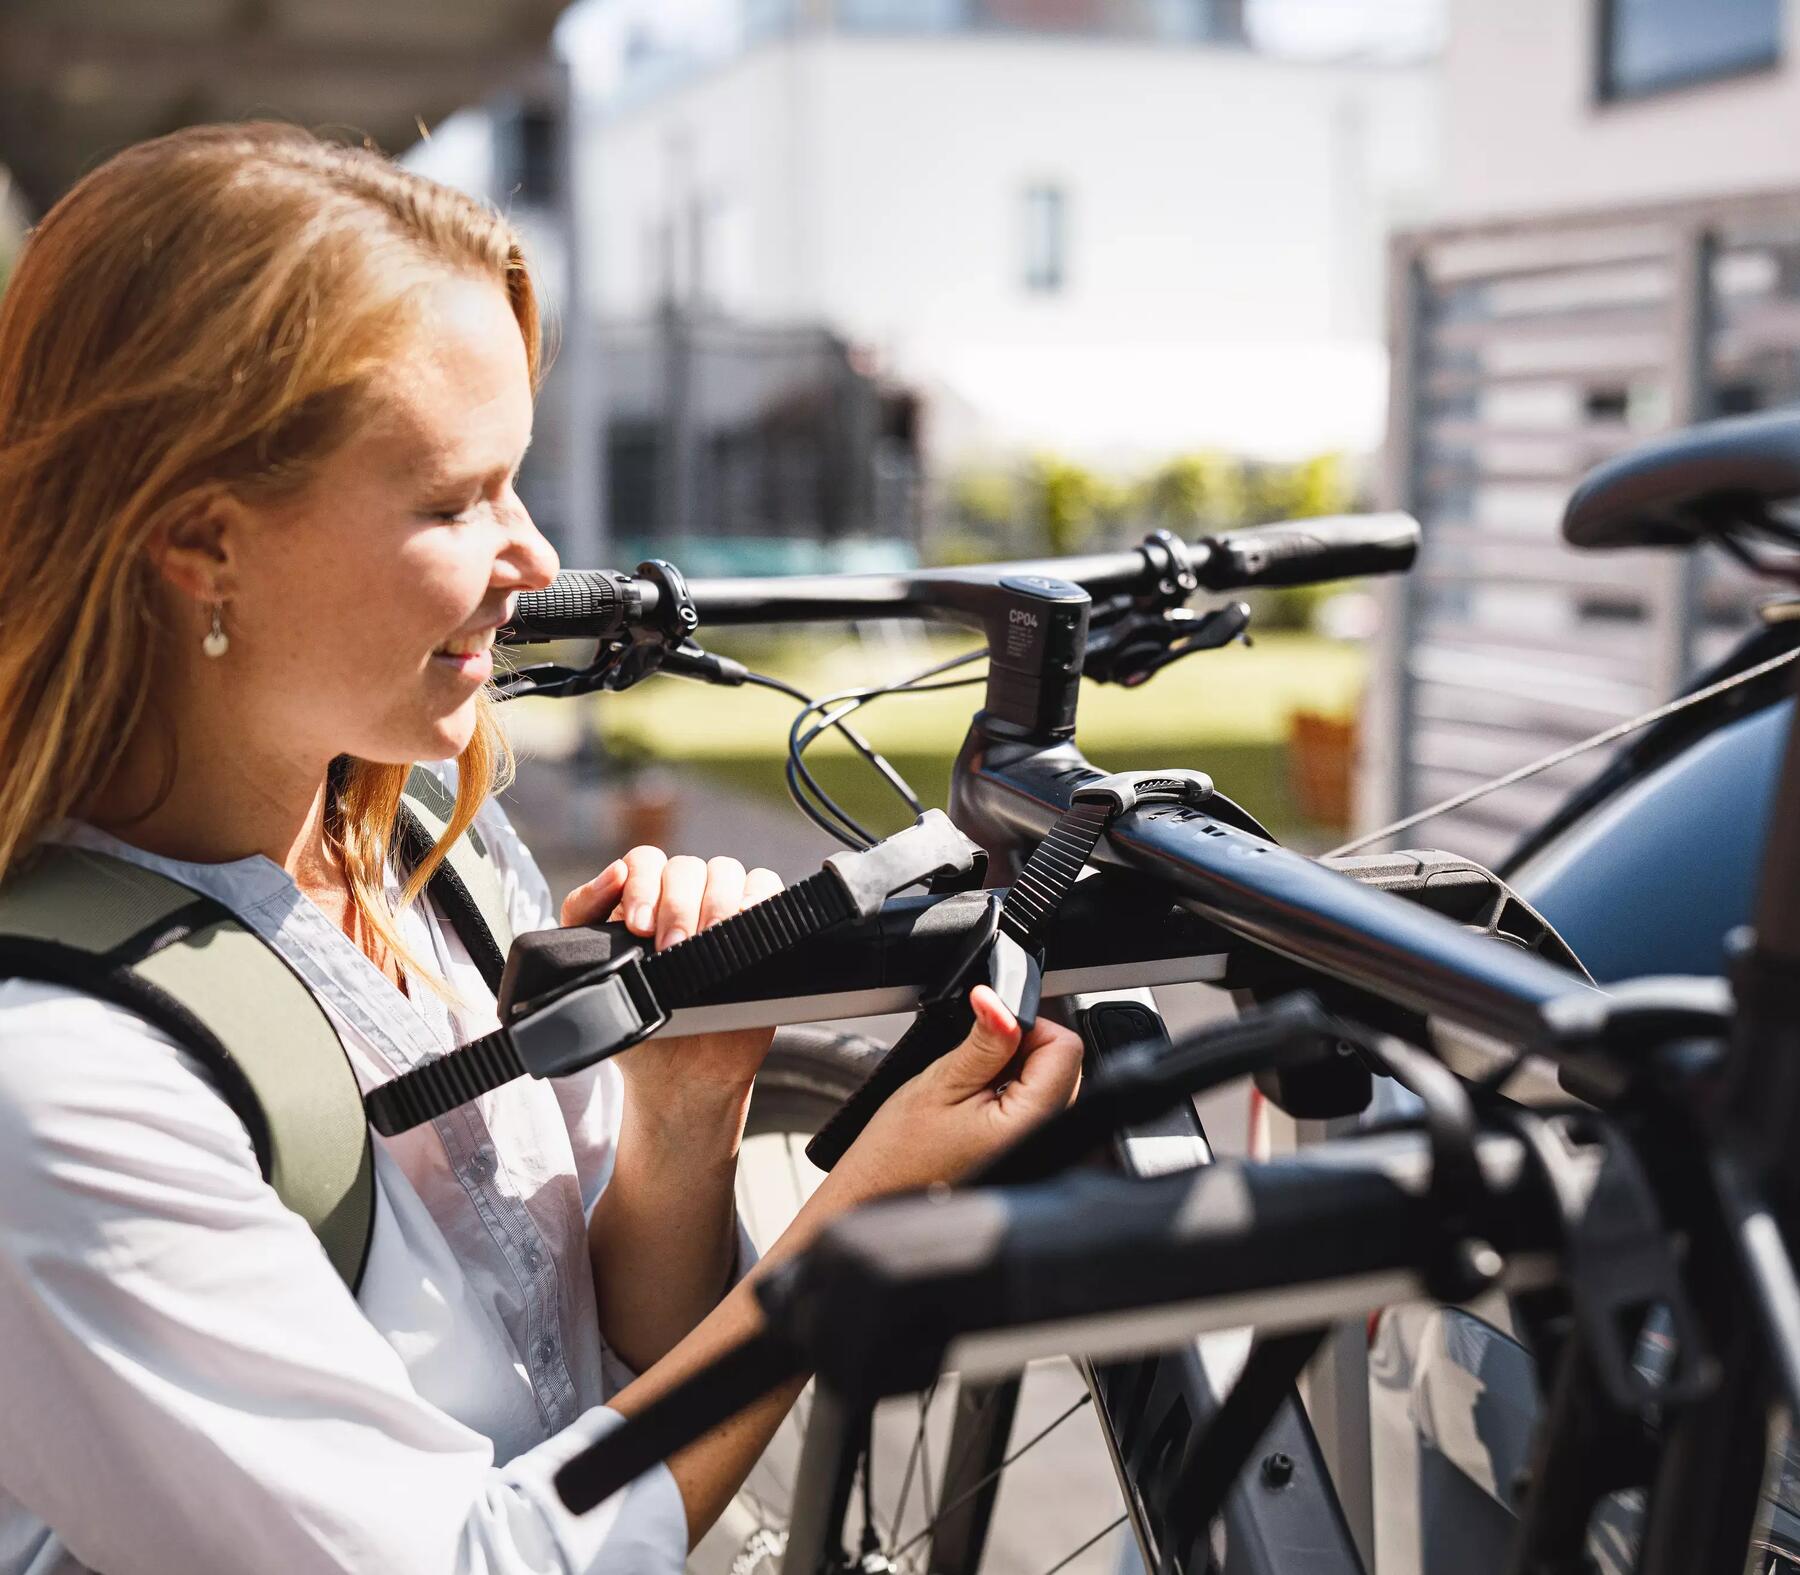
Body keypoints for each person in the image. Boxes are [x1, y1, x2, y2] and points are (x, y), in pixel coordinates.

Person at [0, 124, 1084, 1574]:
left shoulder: (422, 846)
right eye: (453, 501)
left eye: (514, 480)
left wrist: (684, 1112)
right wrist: (848, 1237)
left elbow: (600, 1369)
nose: (533, 554)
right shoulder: (58, 1085)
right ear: (202, 542)